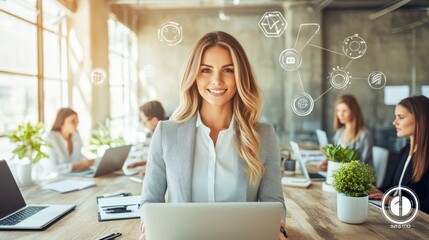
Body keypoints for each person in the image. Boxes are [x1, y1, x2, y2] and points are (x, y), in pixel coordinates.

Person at [139, 31, 286, 240]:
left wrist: (279, 228)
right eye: (206, 70)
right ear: (194, 75)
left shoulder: (264, 136)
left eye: (228, 70)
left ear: (240, 77)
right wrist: (148, 226)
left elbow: (275, 204)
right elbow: (150, 201)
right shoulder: (166, 133)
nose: (216, 80)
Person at [369, 95, 429, 214]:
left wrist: (394, 201)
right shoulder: (405, 150)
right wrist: (372, 190)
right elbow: (391, 186)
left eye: (400, 117)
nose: (394, 122)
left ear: (420, 119)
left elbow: (427, 206)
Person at [319, 94, 373, 170]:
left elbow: (363, 165)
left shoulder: (364, 134)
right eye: (338, 110)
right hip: (340, 173)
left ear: (353, 112)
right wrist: (329, 160)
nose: (340, 114)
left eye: (344, 111)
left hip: (356, 177)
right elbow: (338, 157)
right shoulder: (340, 131)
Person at [42, 108, 93, 174]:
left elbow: (79, 157)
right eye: (72, 121)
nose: (76, 124)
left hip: (72, 176)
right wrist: (80, 165)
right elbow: (52, 168)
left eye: (77, 121)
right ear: (61, 123)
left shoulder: (75, 134)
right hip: (51, 179)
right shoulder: (49, 137)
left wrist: (88, 162)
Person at [126, 100, 167, 172]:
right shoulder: (163, 131)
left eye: (145, 121)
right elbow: (160, 159)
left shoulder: (165, 138)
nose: (144, 125)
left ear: (154, 120)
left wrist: (150, 168)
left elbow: (166, 163)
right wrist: (141, 163)